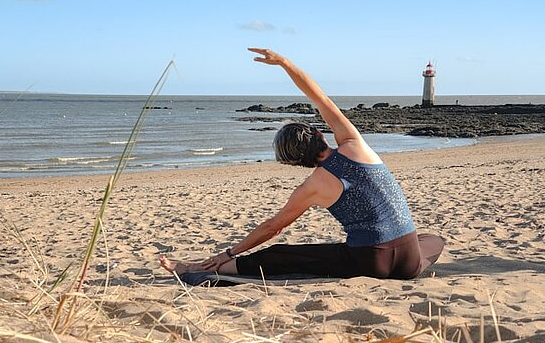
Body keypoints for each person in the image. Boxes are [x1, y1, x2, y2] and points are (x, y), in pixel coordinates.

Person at [160, 48, 444, 280]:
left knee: (280, 255)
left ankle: (204, 269)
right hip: (409, 260)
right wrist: (284, 62)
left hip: (370, 262)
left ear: (295, 162)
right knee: (432, 240)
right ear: (320, 134)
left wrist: (229, 253)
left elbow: (272, 228)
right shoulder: (355, 145)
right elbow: (318, 96)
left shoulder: (313, 185)